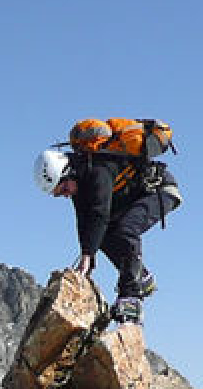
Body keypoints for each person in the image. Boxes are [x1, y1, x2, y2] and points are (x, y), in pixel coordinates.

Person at [34, 119, 182, 323]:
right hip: (138, 195)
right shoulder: (80, 181)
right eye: (60, 195)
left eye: (64, 190)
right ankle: (142, 277)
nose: (66, 195)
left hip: (160, 190)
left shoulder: (98, 169)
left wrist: (88, 253)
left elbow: (100, 213)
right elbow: (85, 221)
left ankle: (131, 297)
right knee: (101, 236)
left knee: (125, 230)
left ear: (67, 174)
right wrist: (88, 255)